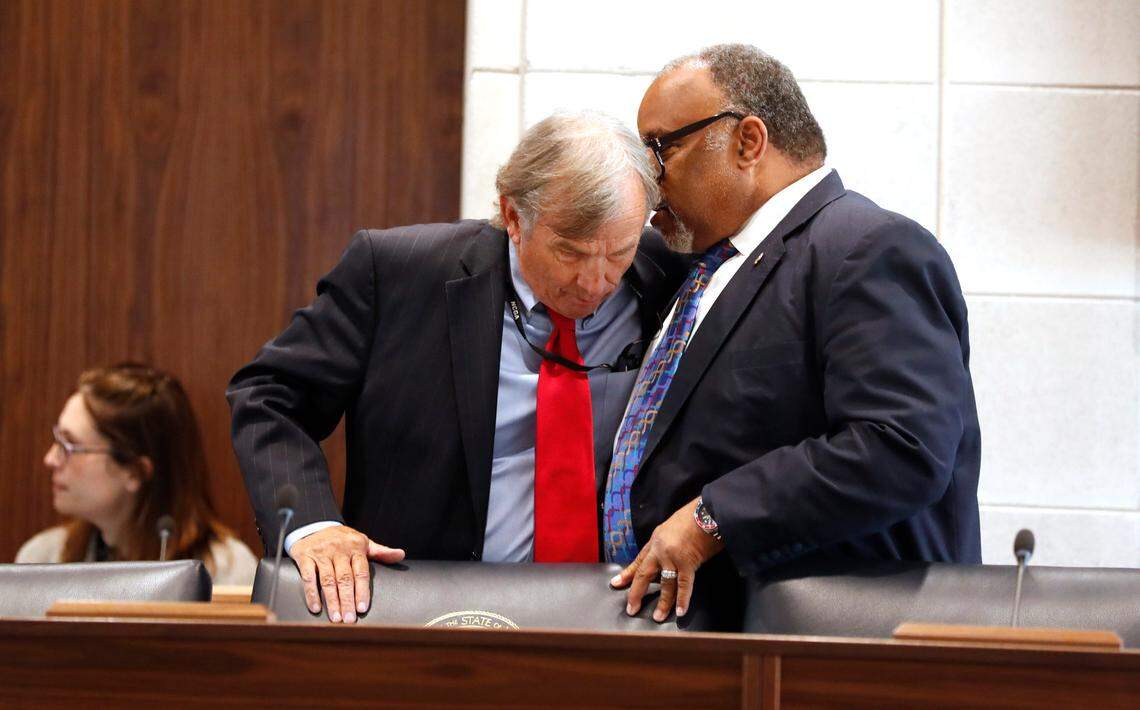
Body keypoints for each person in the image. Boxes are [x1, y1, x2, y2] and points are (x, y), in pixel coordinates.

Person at [227, 111, 686, 623]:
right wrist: (313, 525)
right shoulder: (399, 271)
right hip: (421, 608)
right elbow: (268, 396)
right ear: (513, 217)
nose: (594, 282)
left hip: (605, 611)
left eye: (617, 255)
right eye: (570, 253)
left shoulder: (668, 278)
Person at [605, 44, 982, 624]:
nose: (651, 176)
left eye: (663, 147)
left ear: (747, 142)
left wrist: (713, 517)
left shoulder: (867, 248)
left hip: (835, 645)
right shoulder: (705, 266)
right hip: (715, 637)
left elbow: (900, 447)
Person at [17, 363, 258, 586]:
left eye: (69, 447)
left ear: (135, 471)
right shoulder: (41, 560)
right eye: (57, 440)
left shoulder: (229, 575)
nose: (50, 459)